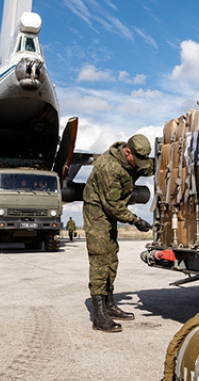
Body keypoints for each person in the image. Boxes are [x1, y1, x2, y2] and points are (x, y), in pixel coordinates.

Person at [83, 134, 153, 332]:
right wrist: (136, 220)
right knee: (100, 259)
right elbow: (112, 206)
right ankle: (99, 315)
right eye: (136, 160)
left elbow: (147, 167)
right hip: (97, 212)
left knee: (112, 256)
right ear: (127, 151)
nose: (138, 164)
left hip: (110, 211)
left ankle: (109, 304)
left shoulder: (132, 158)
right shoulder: (109, 167)